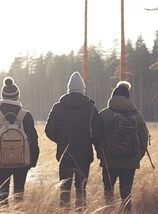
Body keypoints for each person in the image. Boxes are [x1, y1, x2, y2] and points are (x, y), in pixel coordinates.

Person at [45, 71, 103, 211]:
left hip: (65, 156)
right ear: (82, 89)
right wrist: (89, 142)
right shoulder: (90, 108)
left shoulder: (57, 107)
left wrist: (61, 141)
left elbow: (49, 131)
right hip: (84, 156)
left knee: (64, 191)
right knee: (81, 190)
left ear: (69, 88)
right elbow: (98, 133)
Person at [0, 77, 40, 206]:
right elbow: (34, 140)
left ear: (2, 96)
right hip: (22, 162)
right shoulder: (25, 115)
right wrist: (32, 161)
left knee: (3, 195)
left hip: (1, 163)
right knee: (19, 195)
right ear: (17, 97)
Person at [98, 81, 150, 212]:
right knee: (126, 194)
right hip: (130, 162)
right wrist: (137, 156)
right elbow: (144, 139)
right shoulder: (137, 115)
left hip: (109, 161)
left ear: (112, 96)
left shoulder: (104, 115)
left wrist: (101, 154)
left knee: (108, 192)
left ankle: (109, 211)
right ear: (128, 98)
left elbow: (96, 137)